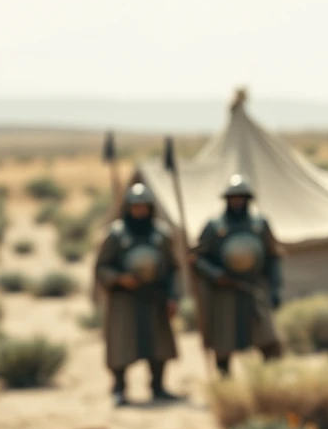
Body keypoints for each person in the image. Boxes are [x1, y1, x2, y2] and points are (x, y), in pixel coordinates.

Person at [94, 183, 181, 406]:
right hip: (125, 298)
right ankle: (119, 387)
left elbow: (173, 268)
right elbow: (101, 267)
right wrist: (120, 278)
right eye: (136, 207)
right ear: (129, 208)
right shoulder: (115, 234)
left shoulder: (161, 235)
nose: (140, 211)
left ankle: (158, 386)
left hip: (155, 295)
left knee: (158, 344)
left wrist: (173, 296)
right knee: (123, 344)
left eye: (144, 207)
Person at [193, 174, 284, 377]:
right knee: (224, 339)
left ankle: (271, 380)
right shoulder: (214, 226)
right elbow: (197, 258)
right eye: (233, 197)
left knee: (268, 338)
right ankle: (225, 381)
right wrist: (215, 274)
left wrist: (276, 288)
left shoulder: (259, 224)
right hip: (225, 289)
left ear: (247, 199)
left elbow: (273, 256)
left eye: (241, 197)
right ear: (227, 200)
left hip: (254, 287)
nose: (237, 201)